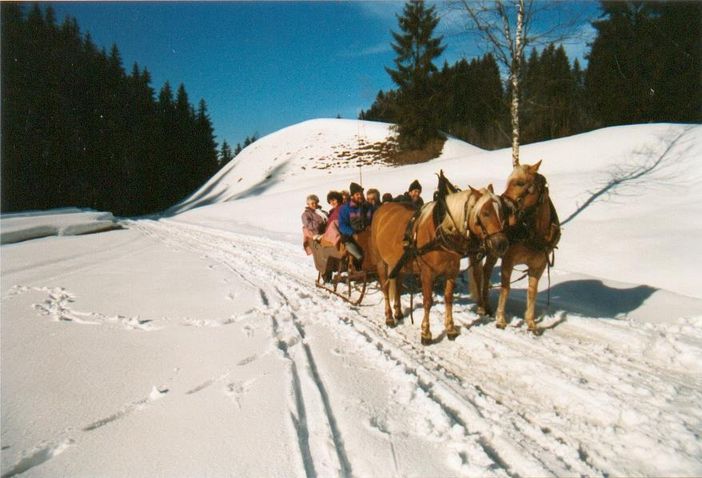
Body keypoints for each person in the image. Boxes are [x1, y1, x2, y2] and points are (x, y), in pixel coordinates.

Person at [338, 182, 373, 267]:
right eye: (357, 194)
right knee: (346, 240)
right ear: (352, 196)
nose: (360, 196)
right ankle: (358, 259)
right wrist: (352, 233)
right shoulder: (345, 208)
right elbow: (342, 225)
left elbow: (372, 217)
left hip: (366, 233)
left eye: (361, 194)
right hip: (352, 235)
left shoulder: (367, 207)